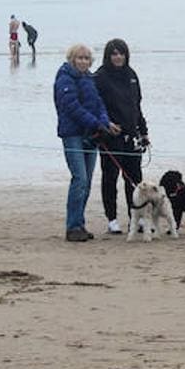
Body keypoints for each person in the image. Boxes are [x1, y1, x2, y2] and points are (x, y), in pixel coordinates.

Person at [55, 43, 117, 242]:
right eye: (79, 58)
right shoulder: (64, 78)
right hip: (73, 134)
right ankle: (72, 227)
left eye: (86, 58)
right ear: (72, 59)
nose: (83, 61)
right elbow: (72, 107)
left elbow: (98, 104)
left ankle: (79, 224)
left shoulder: (89, 78)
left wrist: (105, 122)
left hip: (91, 135)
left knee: (87, 181)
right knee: (79, 179)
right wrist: (97, 124)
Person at [93, 39, 149, 235]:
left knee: (134, 179)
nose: (118, 57)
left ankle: (136, 218)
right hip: (111, 136)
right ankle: (112, 219)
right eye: (114, 54)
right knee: (110, 177)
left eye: (121, 53)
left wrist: (143, 131)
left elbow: (137, 106)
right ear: (108, 56)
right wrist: (104, 126)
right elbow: (94, 106)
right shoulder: (99, 77)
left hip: (131, 135)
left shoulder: (132, 75)